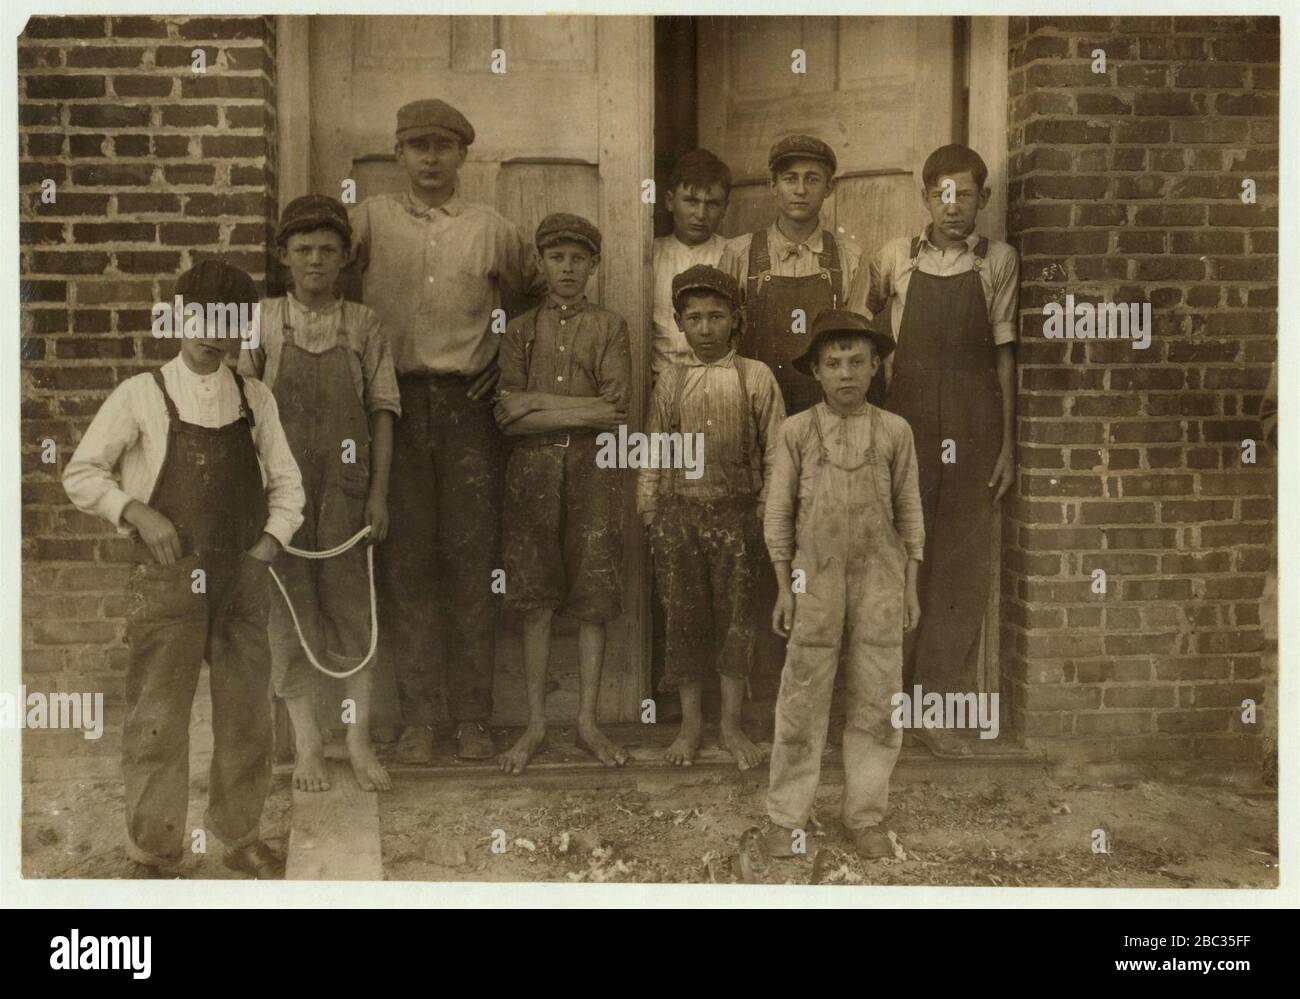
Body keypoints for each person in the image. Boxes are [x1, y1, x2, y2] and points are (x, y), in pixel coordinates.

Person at [62, 259, 305, 878]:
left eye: (228, 323)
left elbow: (287, 485)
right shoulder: (141, 394)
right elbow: (82, 473)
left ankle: (239, 833)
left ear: (242, 330)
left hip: (241, 582)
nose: (211, 335)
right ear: (177, 316)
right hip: (168, 582)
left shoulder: (255, 399)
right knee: (156, 721)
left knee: (247, 715)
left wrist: (267, 549)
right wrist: (137, 512)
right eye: (200, 318)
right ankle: (155, 849)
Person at [349, 98, 545, 762]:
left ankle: (472, 715)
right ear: (398, 152)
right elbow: (317, 269)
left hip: (467, 409)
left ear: (464, 154)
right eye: (416, 145)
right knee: (406, 562)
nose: (430, 158)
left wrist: (506, 359)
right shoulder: (370, 220)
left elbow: (539, 294)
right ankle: (419, 717)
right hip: (393, 407)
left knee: (471, 562)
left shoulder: (489, 228)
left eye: (443, 146)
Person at [850, 143, 1019, 758]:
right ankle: (882, 705)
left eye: (966, 194)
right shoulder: (894, 258)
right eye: (942, 194)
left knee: (960, 568)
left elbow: (1005, 357)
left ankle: (934, 707)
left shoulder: (998, 262)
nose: (954, 206)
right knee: (893, 559)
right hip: (908, 424)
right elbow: (866, 350)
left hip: (975, 429)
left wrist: (1008, 443)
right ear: (926, 197)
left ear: (983, 198)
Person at [240, 195, 400, 793]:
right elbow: (241, 412)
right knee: (288, 614)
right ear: (283, 257)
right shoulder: (259, 321)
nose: (315, 260)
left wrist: (378, 494)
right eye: (303, 250)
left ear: (345, 258)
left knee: (353, 611)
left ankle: (356, 740)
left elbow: (383, 413)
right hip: (281, 491)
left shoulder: (364, 324)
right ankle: (308, 743)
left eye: (328, 250)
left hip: (347, 490)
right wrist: (254, 496)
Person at [762, 310, 923, 861]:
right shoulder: (797, 432)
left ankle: (866, 814)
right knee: (803, 694)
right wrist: (785, 585)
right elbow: (778, 512)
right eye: (833, 363)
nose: (846, 373)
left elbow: (910, 513)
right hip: (815, 578)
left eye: (858, 361)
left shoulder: (895, 431)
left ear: (877, 366)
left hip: (881, 577)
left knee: (878, 694)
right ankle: (786, 816)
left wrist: (910, 585)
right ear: (816, 371)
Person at [493, 213, 631, 774]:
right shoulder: (520, 329)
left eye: (579, 258)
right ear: (541, 264)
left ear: (594, 265)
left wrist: (537, 403)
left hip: (594, 472)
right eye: (557, 257)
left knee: (593, 597)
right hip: (531, 475)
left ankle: (588, 721)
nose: (568, 268)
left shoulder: (610, 326)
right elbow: (507, 416)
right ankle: (535, 725)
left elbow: (616, 411)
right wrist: (578, 408)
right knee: (535, 599)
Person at [639, 265, 785, 770]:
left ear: (735, 319)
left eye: (716, 316)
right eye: (694, 318)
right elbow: (653, 446)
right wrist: (650, 504)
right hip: (679, 515)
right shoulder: (669, 380)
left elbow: (776, 454)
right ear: (679, 323)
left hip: (739, 516)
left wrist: (767, 512)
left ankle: (729, 723)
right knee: (684, 616)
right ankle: (690, 724)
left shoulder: (755, 376)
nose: (705, 328)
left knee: (737, 619)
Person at [720, 133, 862, 416]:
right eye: (789, 179)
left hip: (827, 411)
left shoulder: (849, 257)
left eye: (812, 179)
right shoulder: (740, 253)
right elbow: (725, 343)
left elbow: (858, 346)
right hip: (755, 408)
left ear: (829, 187)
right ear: (773, 185)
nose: (800, 190)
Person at [652, 149, 732, 380]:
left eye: (712, 204)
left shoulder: (735, 254)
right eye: (690, 201)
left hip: (719, 382)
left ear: (725, 207)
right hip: (659, 383)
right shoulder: (650, 256)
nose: (700, 214)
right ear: (669, 201)